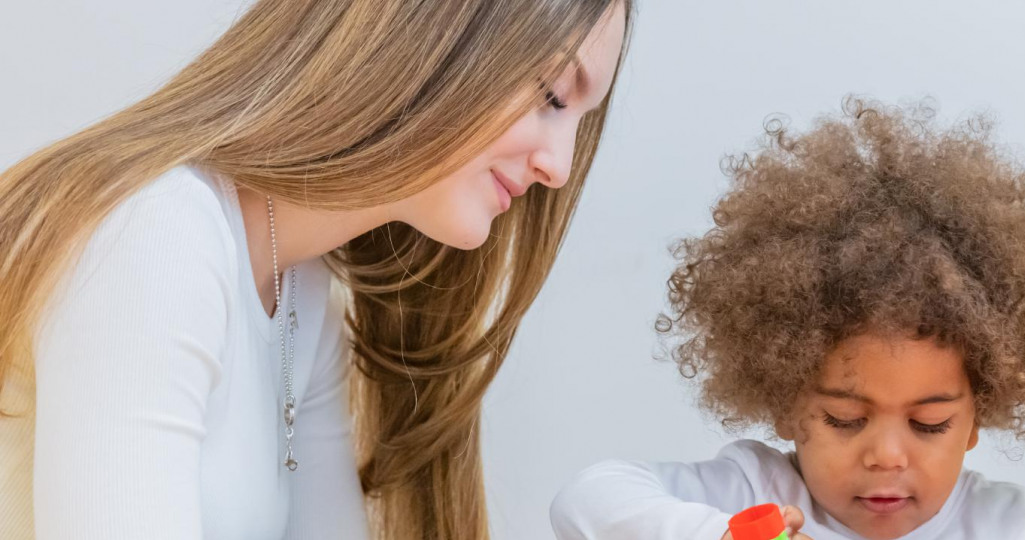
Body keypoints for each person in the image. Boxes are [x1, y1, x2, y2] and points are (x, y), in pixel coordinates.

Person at [0, 0, 632, 538]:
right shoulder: (152, 235)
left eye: (579, 119)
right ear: (430, 33)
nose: (561, 167)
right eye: (552, 94)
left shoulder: (303, 290)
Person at [550, 99, 1025, 540]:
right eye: (845, 419)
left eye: (929, 424)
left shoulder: (1006, 525)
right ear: (786, 403)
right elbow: (586, 499)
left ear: (978, 417)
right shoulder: (753, 491)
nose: (887, 456)